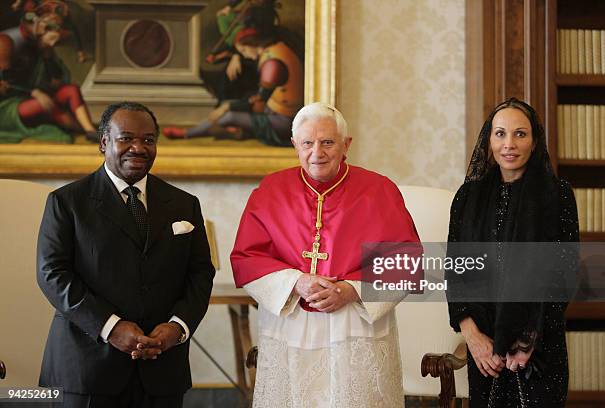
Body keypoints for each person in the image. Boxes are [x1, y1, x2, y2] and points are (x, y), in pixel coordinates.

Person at [230, 102, 421, 407]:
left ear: (346, 145)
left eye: (328, 142)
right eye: (307, 143)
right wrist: (296, 282)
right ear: (295, 145)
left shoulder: (379, 190)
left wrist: (351, 289)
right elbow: (247, 257)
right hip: (292, 325)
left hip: (355, 325)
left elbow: (407, 261)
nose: (317, 152)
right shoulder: (270, 191)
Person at [37, 101, 216, 407]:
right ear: (104, 142)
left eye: (148, 140)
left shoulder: (185, 204)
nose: (138, 147)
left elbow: (200, 273)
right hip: (87, 370)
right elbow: (53, 275)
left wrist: (177, 327)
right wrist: (111, 327)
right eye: (126, 138)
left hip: (162, 369)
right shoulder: (67, 202)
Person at [446, 97, 579, 407]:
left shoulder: (557, 195)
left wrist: (528, 339)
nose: (509, 144)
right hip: (484, 349)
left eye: (520, 134)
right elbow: (456, 272)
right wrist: (474, 339)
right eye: (500, 133)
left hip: (541, 347)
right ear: (489, 139)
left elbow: (564, 275)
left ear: (534, 141)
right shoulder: (468, 196)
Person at [163, 25, 303, 147]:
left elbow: (259, 103)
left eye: (243, 51)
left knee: (229, 116)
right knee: (229, 107)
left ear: (252, 44)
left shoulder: (272, 64)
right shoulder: (276, 50)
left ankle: (186, 133)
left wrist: (228, 108)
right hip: (276, 112)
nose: (245, 56)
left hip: (284, 121)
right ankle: (236, 131)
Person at [0, 0, 97, 143]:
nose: (53, 43)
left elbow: (57, 80)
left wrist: (47, 56)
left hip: (34, 97)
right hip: (8, 106)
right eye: (50, 28)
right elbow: (6, 81)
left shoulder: (42, 46)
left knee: (71, 90)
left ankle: (90, 130)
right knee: (45, 105)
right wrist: (34, 92)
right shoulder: (10, 43)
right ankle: (81, 130)